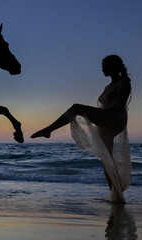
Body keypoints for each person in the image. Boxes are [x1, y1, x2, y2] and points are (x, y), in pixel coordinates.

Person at [31, 55, 132, 203]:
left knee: (76, 108)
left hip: (115, 119)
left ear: (113, 66)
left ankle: (49, 130)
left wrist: (97, 114)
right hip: (105, 120)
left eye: (104, 65)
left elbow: (118, 105)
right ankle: (116, 196)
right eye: (102, 65)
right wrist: (97, 115)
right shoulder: (107, 86)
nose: (102, 68)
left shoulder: (124, 82)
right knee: (106, 160)